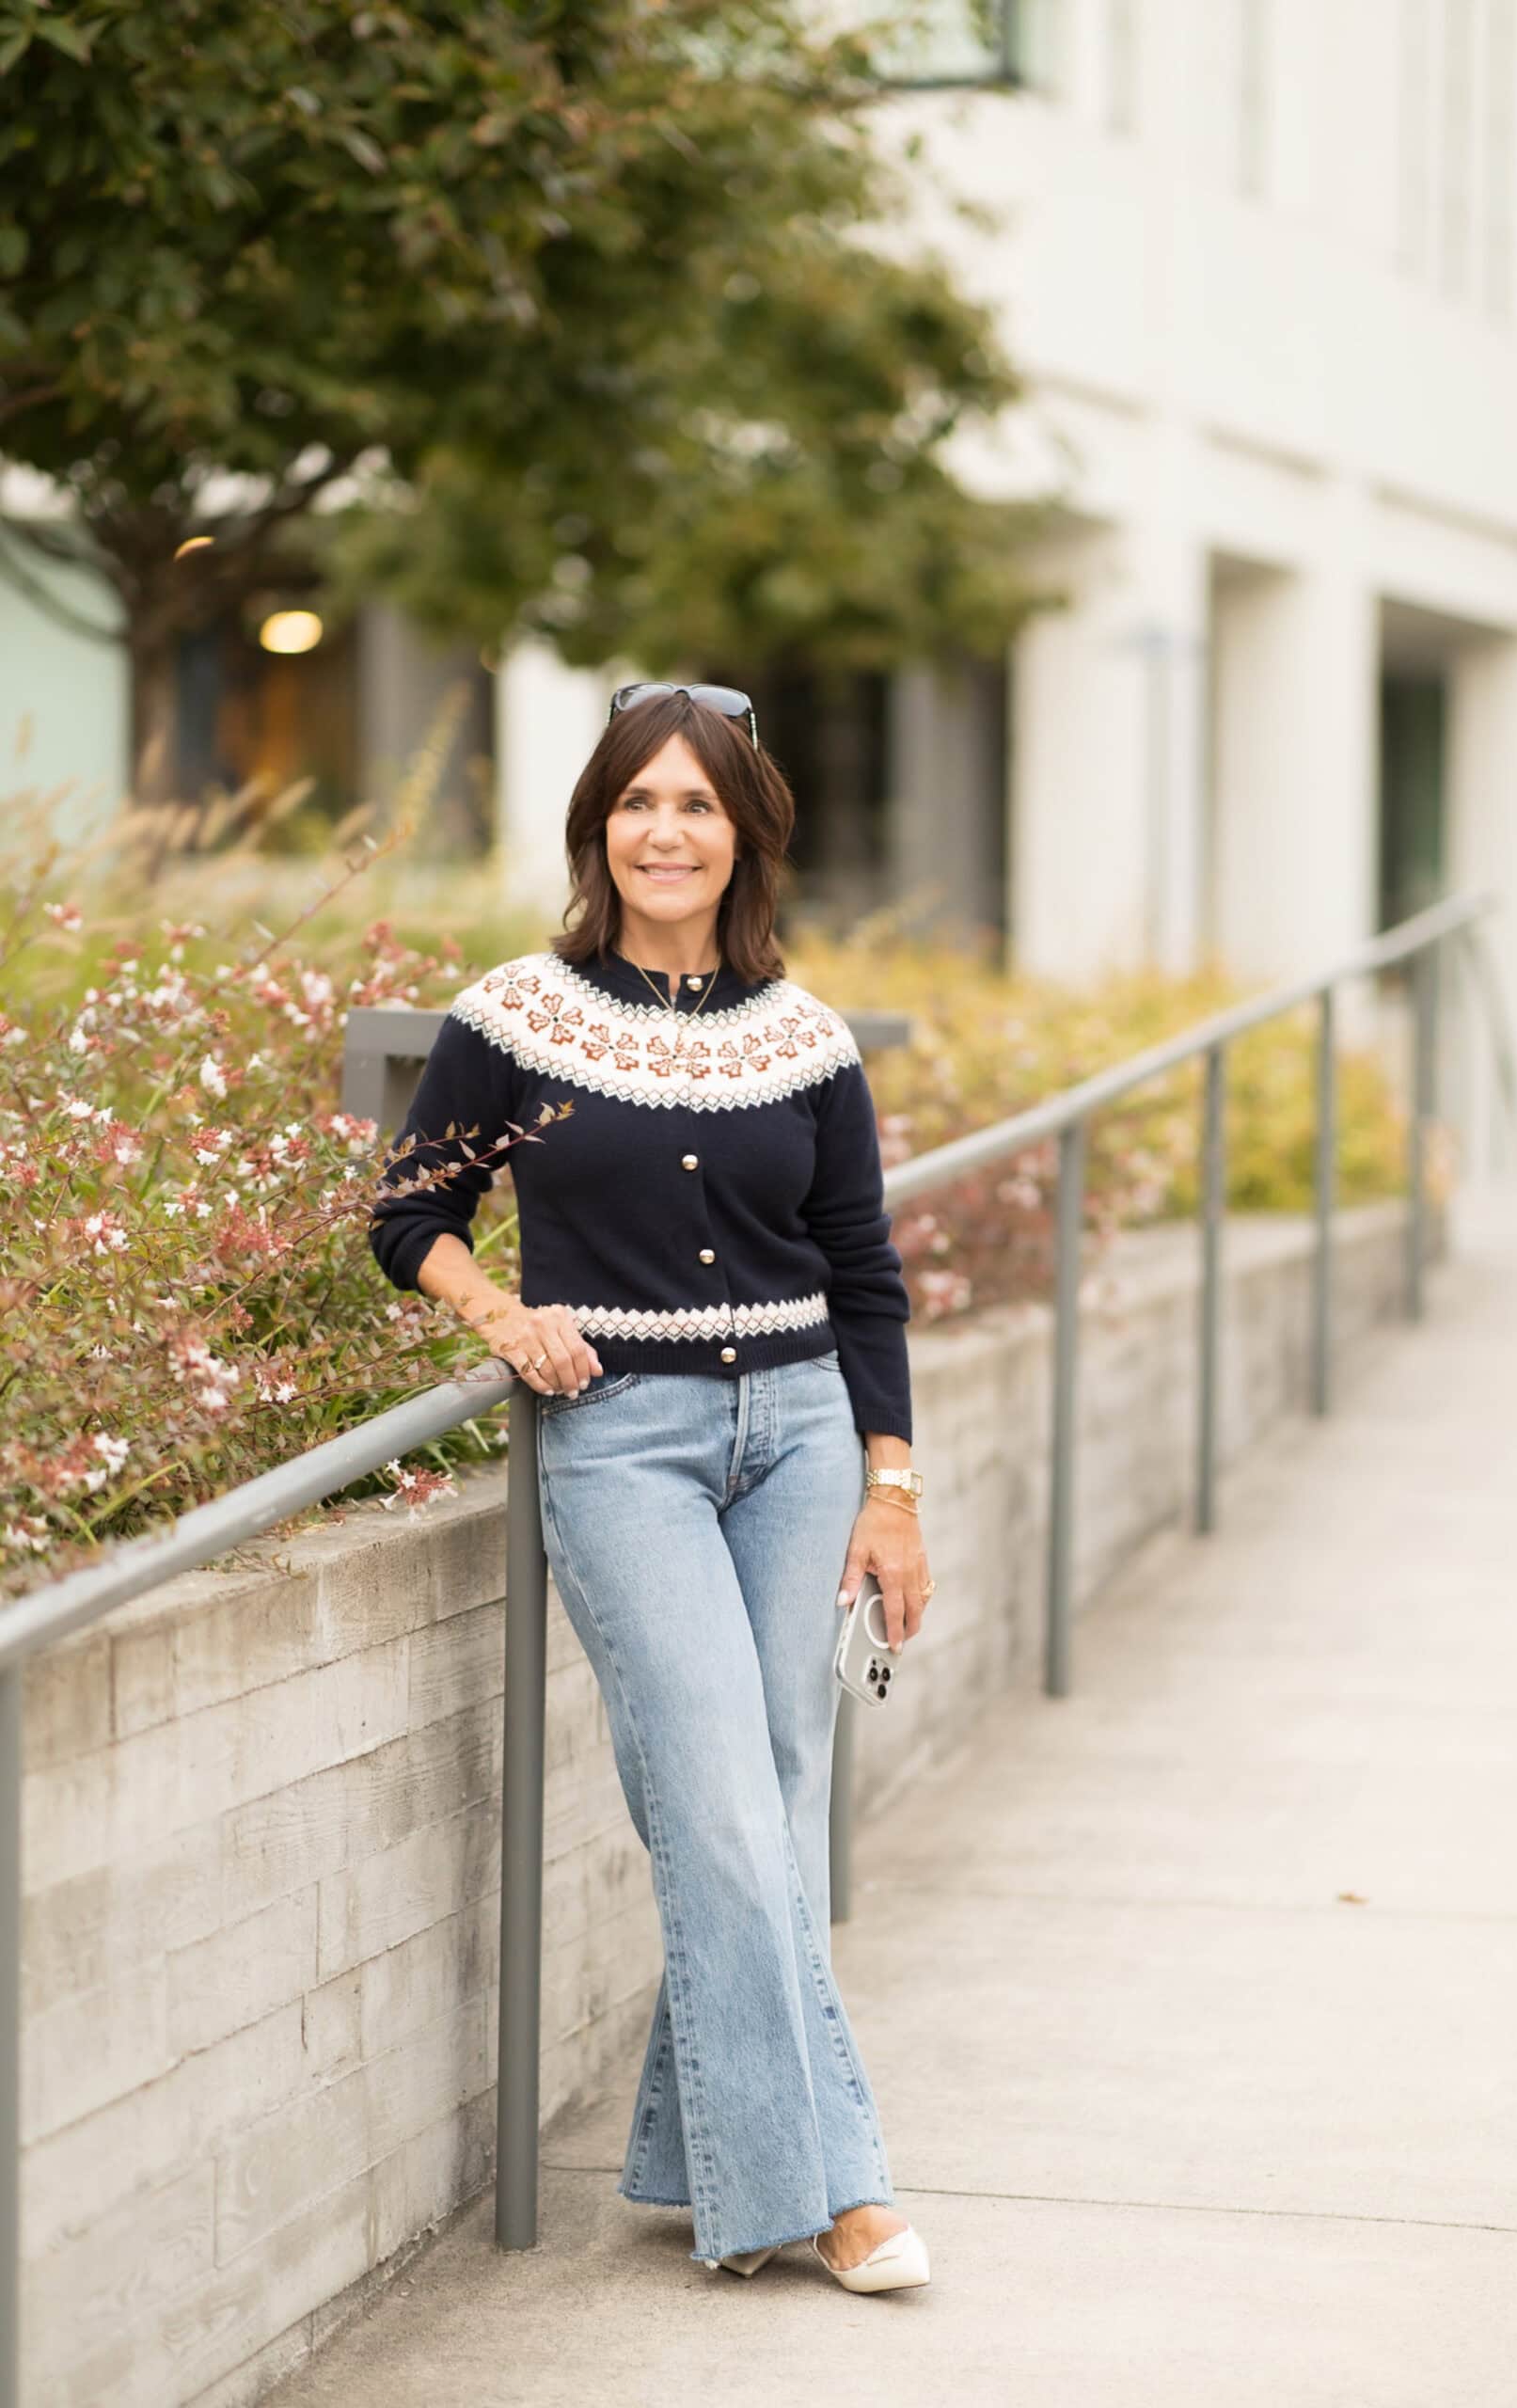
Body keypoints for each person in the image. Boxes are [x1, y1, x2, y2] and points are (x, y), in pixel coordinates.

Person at [369, 681, 937, 2294]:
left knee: (769, 1804)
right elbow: (409, 1213)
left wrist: (892, 1486)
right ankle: (831, 2194)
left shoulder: (805, 1038)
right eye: (638, 803)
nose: (666, 832)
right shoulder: (514, 1018)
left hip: (805, 1435)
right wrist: (501, 1313)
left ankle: (710, 2160)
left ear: (746, 831)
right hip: (619, 1439)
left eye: (697, 805)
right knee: (721, 1814)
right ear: (597, 828)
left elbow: (865, 1275)